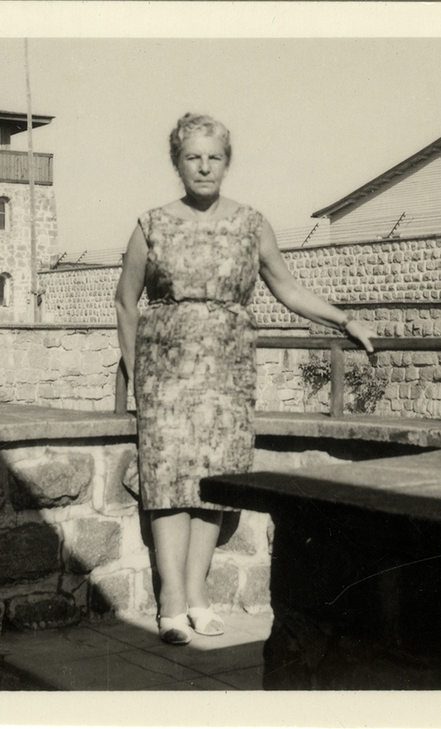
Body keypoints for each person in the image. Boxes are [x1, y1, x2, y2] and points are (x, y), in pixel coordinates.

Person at [115, 113, 374, 645]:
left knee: (215, 482)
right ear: (177, 163)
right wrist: (138, 376)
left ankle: (197, 595)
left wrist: (345, 320)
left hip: (227, 371)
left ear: (226, 163)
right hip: (164, 373)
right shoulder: (151, 225)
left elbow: (288, 287)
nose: (204, 167)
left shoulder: (252, 224)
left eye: (213, 157)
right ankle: (169, 601)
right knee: (166, 484)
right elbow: (125, 302)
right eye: (193, 157)